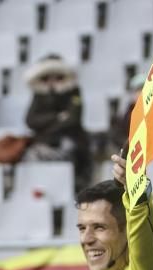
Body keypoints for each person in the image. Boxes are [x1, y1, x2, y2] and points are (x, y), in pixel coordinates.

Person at [24, 53, 92, 193]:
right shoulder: (39, 95)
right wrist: (57, 117)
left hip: (70, 142)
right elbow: (30, 120)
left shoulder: (73, 91)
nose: (51, 80)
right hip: (44, 143)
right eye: (46, 77)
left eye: (57, 76)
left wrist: (46, 125)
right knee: (31, 156)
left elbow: (73, 119)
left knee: (69, 151)